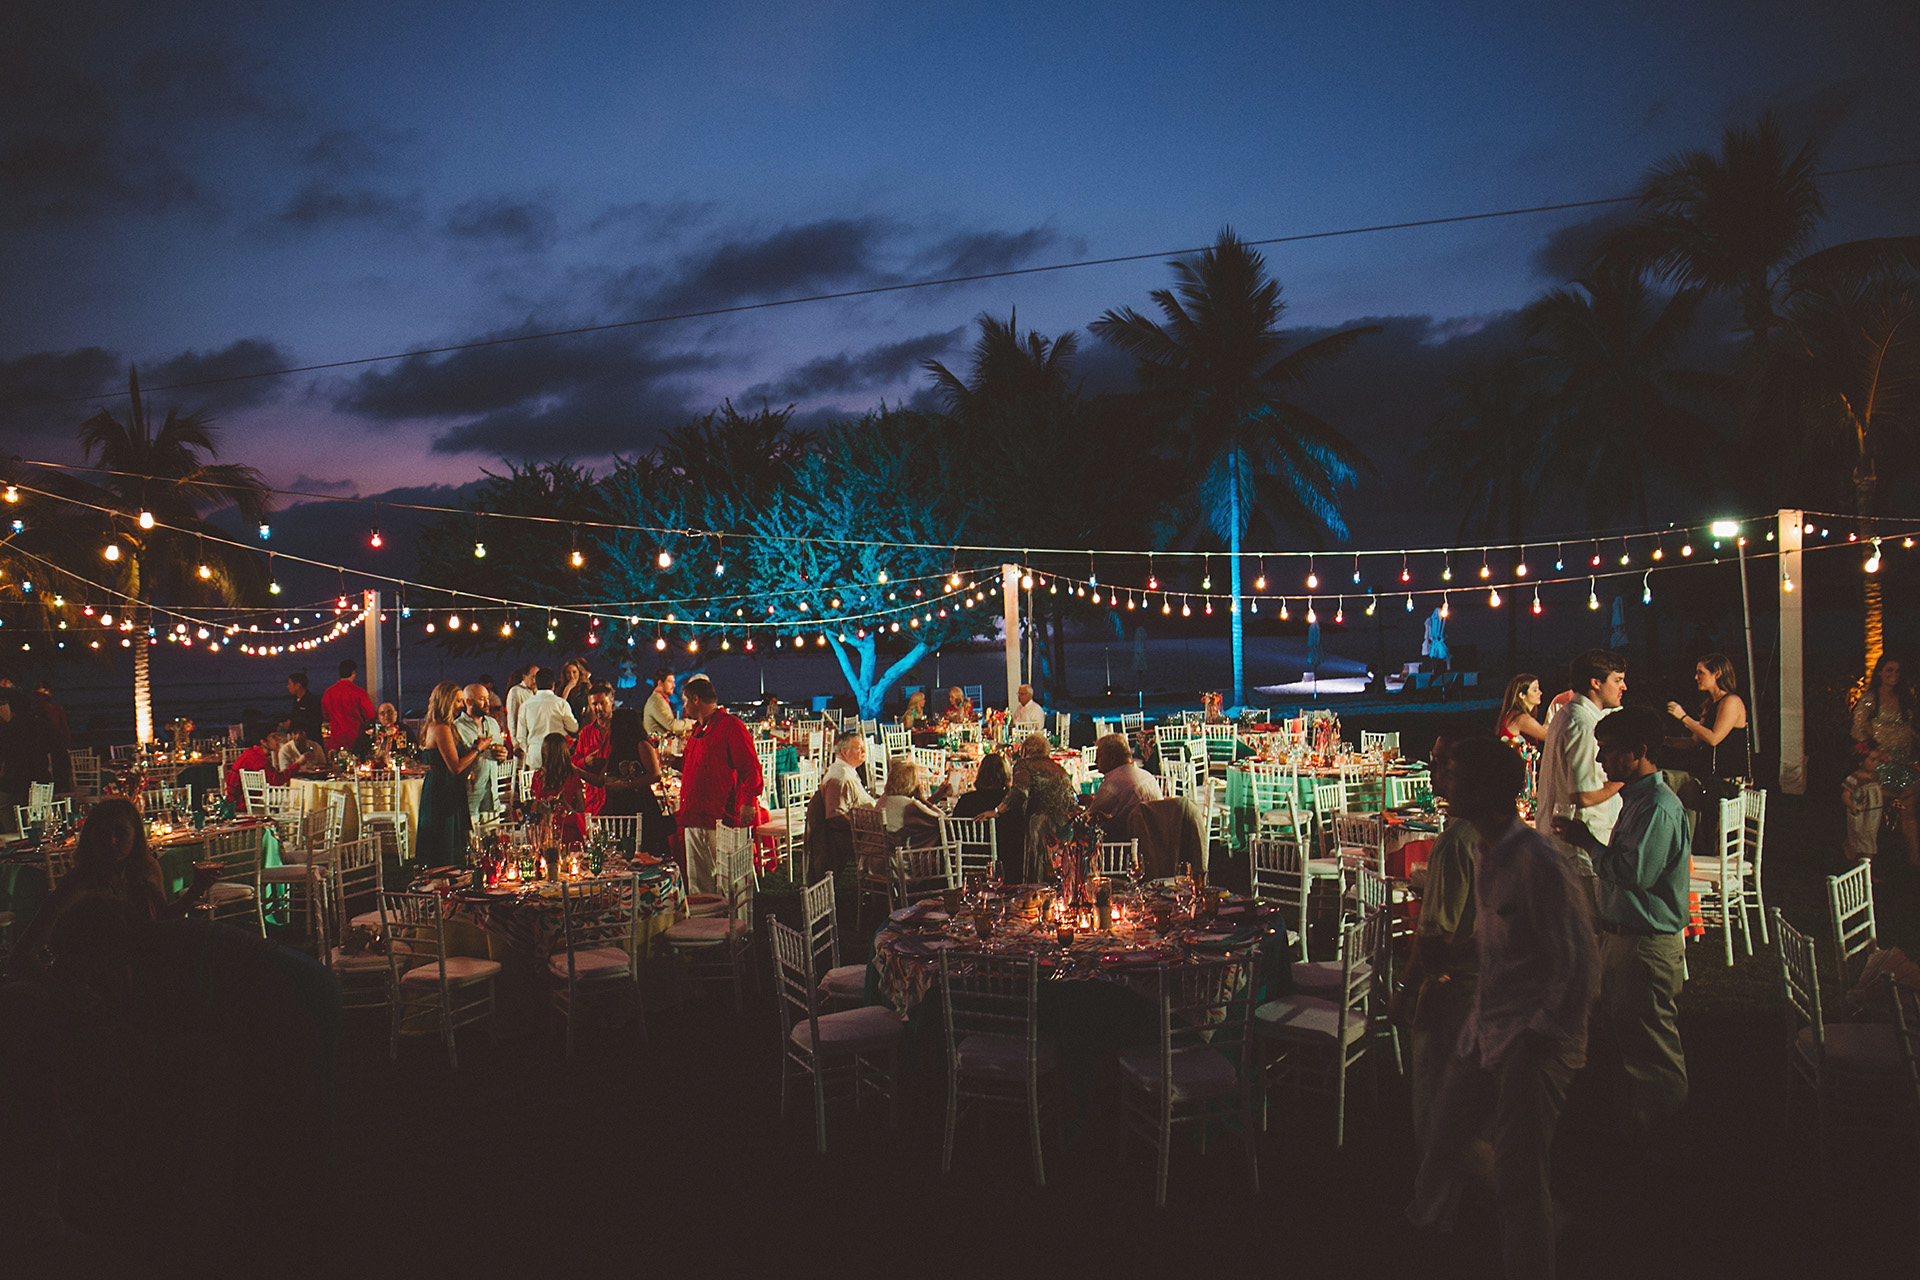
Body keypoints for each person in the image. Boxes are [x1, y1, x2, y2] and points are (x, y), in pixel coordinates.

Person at [1408, 737, 1598, 1280]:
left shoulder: (1537, 862)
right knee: (1443, 1138)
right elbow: (1508, 943)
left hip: (1537, 1041)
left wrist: (1537, 1041)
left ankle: (1533, 1254)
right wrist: (1458, 953)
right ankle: (1426, 1231)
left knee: (1519, 1178)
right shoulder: (1481, 849)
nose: (1442, 776)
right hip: (1486, 1027)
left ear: (1487, 788)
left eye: (1454, 770)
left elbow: (1579, 965)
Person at [1557, 704, 1691, 1155]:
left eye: (1610, 752)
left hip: (1646, 944)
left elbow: (1634, 872)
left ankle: (1663, 1141)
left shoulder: (1656, 808)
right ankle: (1637, 1129)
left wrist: (1587, 844)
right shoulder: (1637, 801)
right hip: (1626, 937)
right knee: (1632, 1043)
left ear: (1641, 752)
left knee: (1652, 1049)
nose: (1600, 761)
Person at [1389, 729, 1482, 1160]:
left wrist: (1407, 990)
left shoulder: (1457, 840)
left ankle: (1438, 1204)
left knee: (1437, 1099)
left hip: (1456, 986)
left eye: (1445, 763)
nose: (1434, 773)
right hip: (1491, 985)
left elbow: (1436, 937)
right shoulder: (1498, 831)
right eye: (1433, 761)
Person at [8, 798, 222, 976]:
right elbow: (24, 951)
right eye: (102, 834)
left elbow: (161, 921)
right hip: (95, 980)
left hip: (143, 974)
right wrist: (62, 991)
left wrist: (195, 890)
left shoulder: (146, 869)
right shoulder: (79, 882)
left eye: (120, 833)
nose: (111, 841)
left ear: (136, 836)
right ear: (90, 838)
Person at [1535, 648, 1626, 847]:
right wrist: (1623, 781)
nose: (1624, 687)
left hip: (1569, 843)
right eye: (1617, 680)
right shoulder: (1583, 725)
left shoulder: (1567, 714)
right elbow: (1582, 796)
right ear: (1595, 683)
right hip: (1582, 846)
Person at [1850, 654, 1917, 867]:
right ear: (1880, 672)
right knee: (1873, 814)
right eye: (1889, 670)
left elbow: (1910, 730)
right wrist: (1875, 753)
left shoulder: (1906, 698)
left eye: (1897, 671)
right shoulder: (1872, 698)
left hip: (1904, 761)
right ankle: (1862, 860)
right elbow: (1857, 730)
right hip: (1881, 763)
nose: (1894, 675)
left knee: (1910, 807)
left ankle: (1915, 861)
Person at [415, 681, 490, 867]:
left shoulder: (446, 727)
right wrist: (478, 749)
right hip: (442, 789)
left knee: (451, 839)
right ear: (446, 701)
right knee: (442, 841)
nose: (461, 705)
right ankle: (441, 881)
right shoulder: (440, 728)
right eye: (457, 701)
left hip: (448, 786)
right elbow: (455, 766)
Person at [576, 706, 669, 855]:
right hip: (618, 805)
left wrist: (627, 785)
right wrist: (577, 770)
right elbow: (601, 780)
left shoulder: (642, 745)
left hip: (640, 804)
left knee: (643, 847)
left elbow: (655, 775)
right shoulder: (615, 749)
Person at [676, 674, 763, 832]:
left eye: (685, 701)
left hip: (719, 818)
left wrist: (748, 801)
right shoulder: (698, 729)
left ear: (695, 699)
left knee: (719, 857)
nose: (683, 707)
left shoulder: (731, 726)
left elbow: (750, 767)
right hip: (693, 817)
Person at [984, 734, 1074, 881]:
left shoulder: (1024, 764)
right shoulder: (1058, 769)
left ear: (1024, 750)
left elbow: (1020, 791)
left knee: (1037, 872)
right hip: (1062, 827)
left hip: (1039, 824)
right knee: (1056, 870)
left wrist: (997, 811)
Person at [807, 730, 876, 878]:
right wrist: (863, 829)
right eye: (858, 748)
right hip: (859, 838)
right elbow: (834, 817)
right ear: (844, 752)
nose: (864, 751)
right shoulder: (840, 777)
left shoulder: (846, 771)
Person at [1083, 733, 1163, 839]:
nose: (1095, 761)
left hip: (1124, 847)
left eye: (1099, 756)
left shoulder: (1112, 784)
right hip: (1156, 841)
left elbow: (1091, 819)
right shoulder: (1147, 776)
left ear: (1112, 757)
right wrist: (1093, 801)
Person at [457, 683, 506, 826]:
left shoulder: (492, 723)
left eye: (487, 699)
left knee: (493, 842)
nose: (487, 703)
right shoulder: (457, 727)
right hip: (471, 797)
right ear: (469, 702)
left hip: (492, 797)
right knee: (472, 842)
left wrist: (502, 755)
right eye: (482, 699)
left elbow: (498, 754)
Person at [513, 667, 578, 770]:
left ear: (537, 684)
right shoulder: (561, 704)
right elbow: (574, 727)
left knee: (536, 785)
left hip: (535, 755)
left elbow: (521, 736)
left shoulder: (526, 705)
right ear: (553, 685)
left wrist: (529, 751)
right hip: (557, 754)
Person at [569, 682, 616, 818]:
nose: (599, 708)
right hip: (593, 798)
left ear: (611, 701)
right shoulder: (586, 733)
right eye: (594, 704)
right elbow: (575, 761)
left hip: (614, 797)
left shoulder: (619, 729)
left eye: (603, 703)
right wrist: (585, 761)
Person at [532, 732, 586, 844]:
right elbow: (582, 808)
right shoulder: (572, 776)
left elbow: (536, 806)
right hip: (569, 829)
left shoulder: (538, 777)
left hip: (546, 829)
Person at [878, 758, 945, 846]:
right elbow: (942, 819)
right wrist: (921, 799)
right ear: (911, 783)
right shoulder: (909, 805)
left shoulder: (885, 798)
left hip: (888, 848)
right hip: (907, 853)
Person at [320, 659, 377, 755]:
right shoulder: (359, 692)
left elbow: (325, 715)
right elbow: (370, 715)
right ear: (353, 673)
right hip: (356, 739)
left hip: (336, 740)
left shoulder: (329, 692)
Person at [29, 681, 74, 797]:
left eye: (38, 696)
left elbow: (65, 728)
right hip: (43, 747)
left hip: (57, 745)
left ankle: (60, 794)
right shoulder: (35, 712)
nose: (36, 699)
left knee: (61, 773)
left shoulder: (57, 709)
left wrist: (68, 745)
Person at [223, 728, 289, 805]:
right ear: (263, 742)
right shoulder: (259, 759)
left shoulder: (251, 752)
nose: (278, 739)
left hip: (236, 800)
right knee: (290, 797)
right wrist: (297, 764)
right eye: (274, 737)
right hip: (246, 802)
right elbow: (277, 781)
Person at [1496, 674, 1548, 746]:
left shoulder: (1513, 715)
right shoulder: (1521, 718)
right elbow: (1551, 736)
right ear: (1522, 695)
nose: (1540, 693)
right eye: (1535, 690)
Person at [503, 664, 539, 752]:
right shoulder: (516, 691)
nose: (535, 681)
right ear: (524, 677)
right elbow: (512, 717)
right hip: (522, 742)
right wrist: (516, 744)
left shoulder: (537, 692)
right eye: (532, 677)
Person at [643, 667, 678, 741]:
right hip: (657, 747)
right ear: (660, 683)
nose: (673, 685)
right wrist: (690, 723)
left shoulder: (660, 699)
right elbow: (670, 724)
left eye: (673, 682)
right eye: (670, 682)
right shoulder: (656, 701)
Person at [285, 671, 322, 742]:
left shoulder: (312, 701)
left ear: (298, 685)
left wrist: (292, 724)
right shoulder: (295, 701)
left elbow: (314, 722)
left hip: (311, 740)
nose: (288, 686)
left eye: (289, 684)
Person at [560, 659, 592, 726]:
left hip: (583, 723)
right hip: (566, 724)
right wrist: (568, 688)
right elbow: (560, 707)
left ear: (579, 673)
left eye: (574, 672)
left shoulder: (586, 687)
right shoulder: (561, 689)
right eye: (568, 672)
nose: (571, 676)